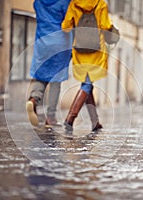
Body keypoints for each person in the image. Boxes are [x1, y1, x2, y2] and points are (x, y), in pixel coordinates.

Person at [61, 0, 114, 132]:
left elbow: (66, 27)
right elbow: (106, 25)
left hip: (79, 49)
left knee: (87, 84)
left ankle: (95, 122)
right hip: (96, 51)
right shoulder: (100, 4)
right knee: (87, 84)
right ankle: (70, 118)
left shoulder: (74, 3)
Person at [26, 0, 72, 127]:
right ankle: (50, 117)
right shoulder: (65, 2)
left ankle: (34, 99)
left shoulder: (38, 2)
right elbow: (69, 22)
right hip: (60, 41)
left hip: (42, 42)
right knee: (55, 80)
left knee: (40, 75)